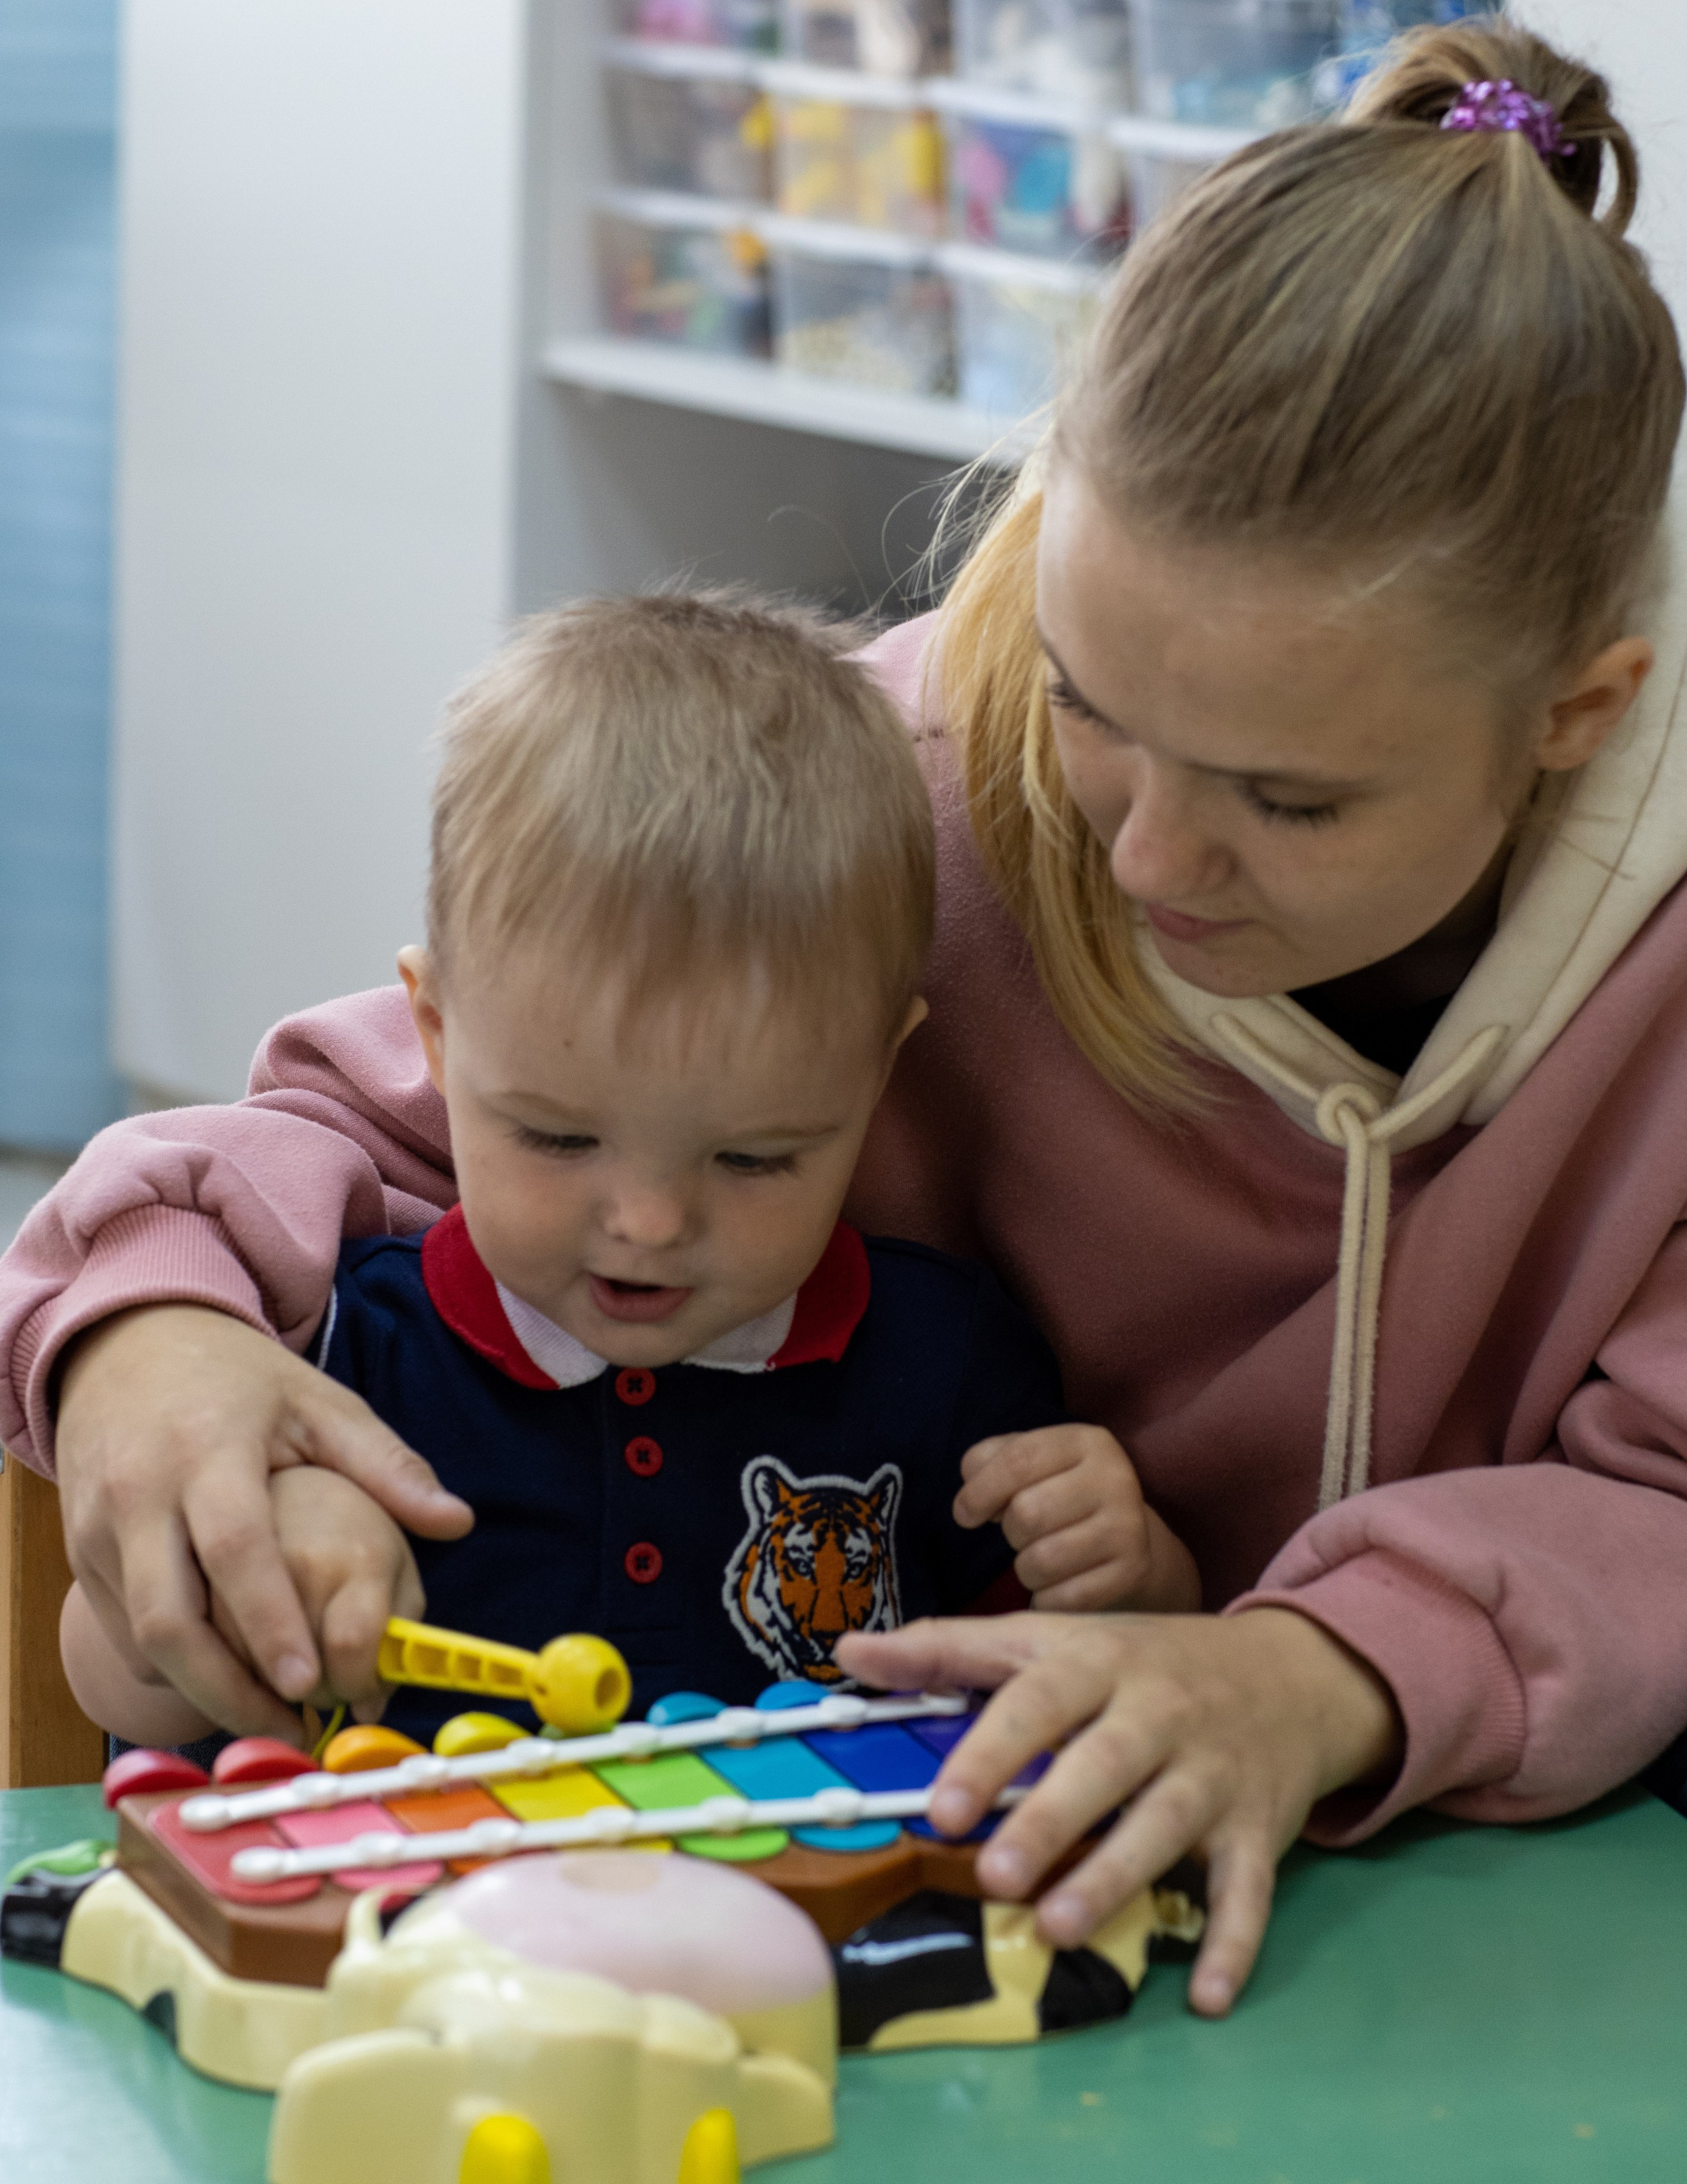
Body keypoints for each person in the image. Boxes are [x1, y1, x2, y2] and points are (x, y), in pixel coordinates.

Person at [9, 20, 1687, 2020]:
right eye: (1092, 703)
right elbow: (388, 1116)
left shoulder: (1681, 965)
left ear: (1576, 719)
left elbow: (1675, 1501)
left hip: (1424, 1813)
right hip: (922, 1827)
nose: (1150, 857)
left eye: (1292, 800)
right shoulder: (905, 777)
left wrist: (1306, 1672)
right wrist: (146, 1335)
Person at [55, 594, 1180, 1750]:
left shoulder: (949, 1366)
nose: (648, 1223)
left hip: (802, 1919)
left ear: (878, 1071)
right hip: (397, 1920)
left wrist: (1132, 1576)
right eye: (558, 1139)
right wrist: (234, 1582)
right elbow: (109, 1679)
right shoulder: (339, 1353)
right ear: (434, 1033)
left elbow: (1073, 1689)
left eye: (753, 1157)